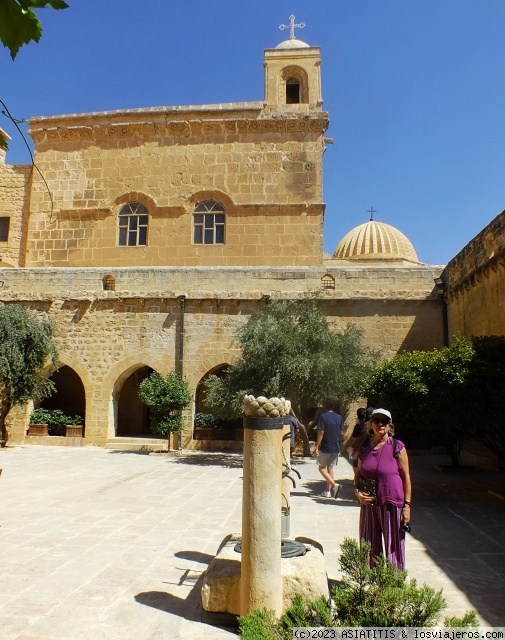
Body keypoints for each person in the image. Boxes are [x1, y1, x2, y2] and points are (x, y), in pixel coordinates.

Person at [354, 408, 411, 571]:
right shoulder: (364, 447)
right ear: (371, 424)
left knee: (394, 548)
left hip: (391, 503)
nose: (380, 424)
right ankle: (373, 583)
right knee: (369, 545)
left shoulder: (397, 446)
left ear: (389, 425)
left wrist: (407, 506)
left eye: (384, 421)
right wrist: (357, 491)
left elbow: (406, 477)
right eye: (377, 420)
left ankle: (394, 586)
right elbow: (358, 474)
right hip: (369, 504)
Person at [314, 398, 343, 499]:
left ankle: (334, 485)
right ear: (334, 406)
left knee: (321, 468)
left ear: (324, 406)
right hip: (336, 446)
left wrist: (317, 446)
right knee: (330, 468)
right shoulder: (339, 417)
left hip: (326, 446)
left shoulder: (323, 417)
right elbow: (341, 433)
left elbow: (321, 432)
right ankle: (328, 491)